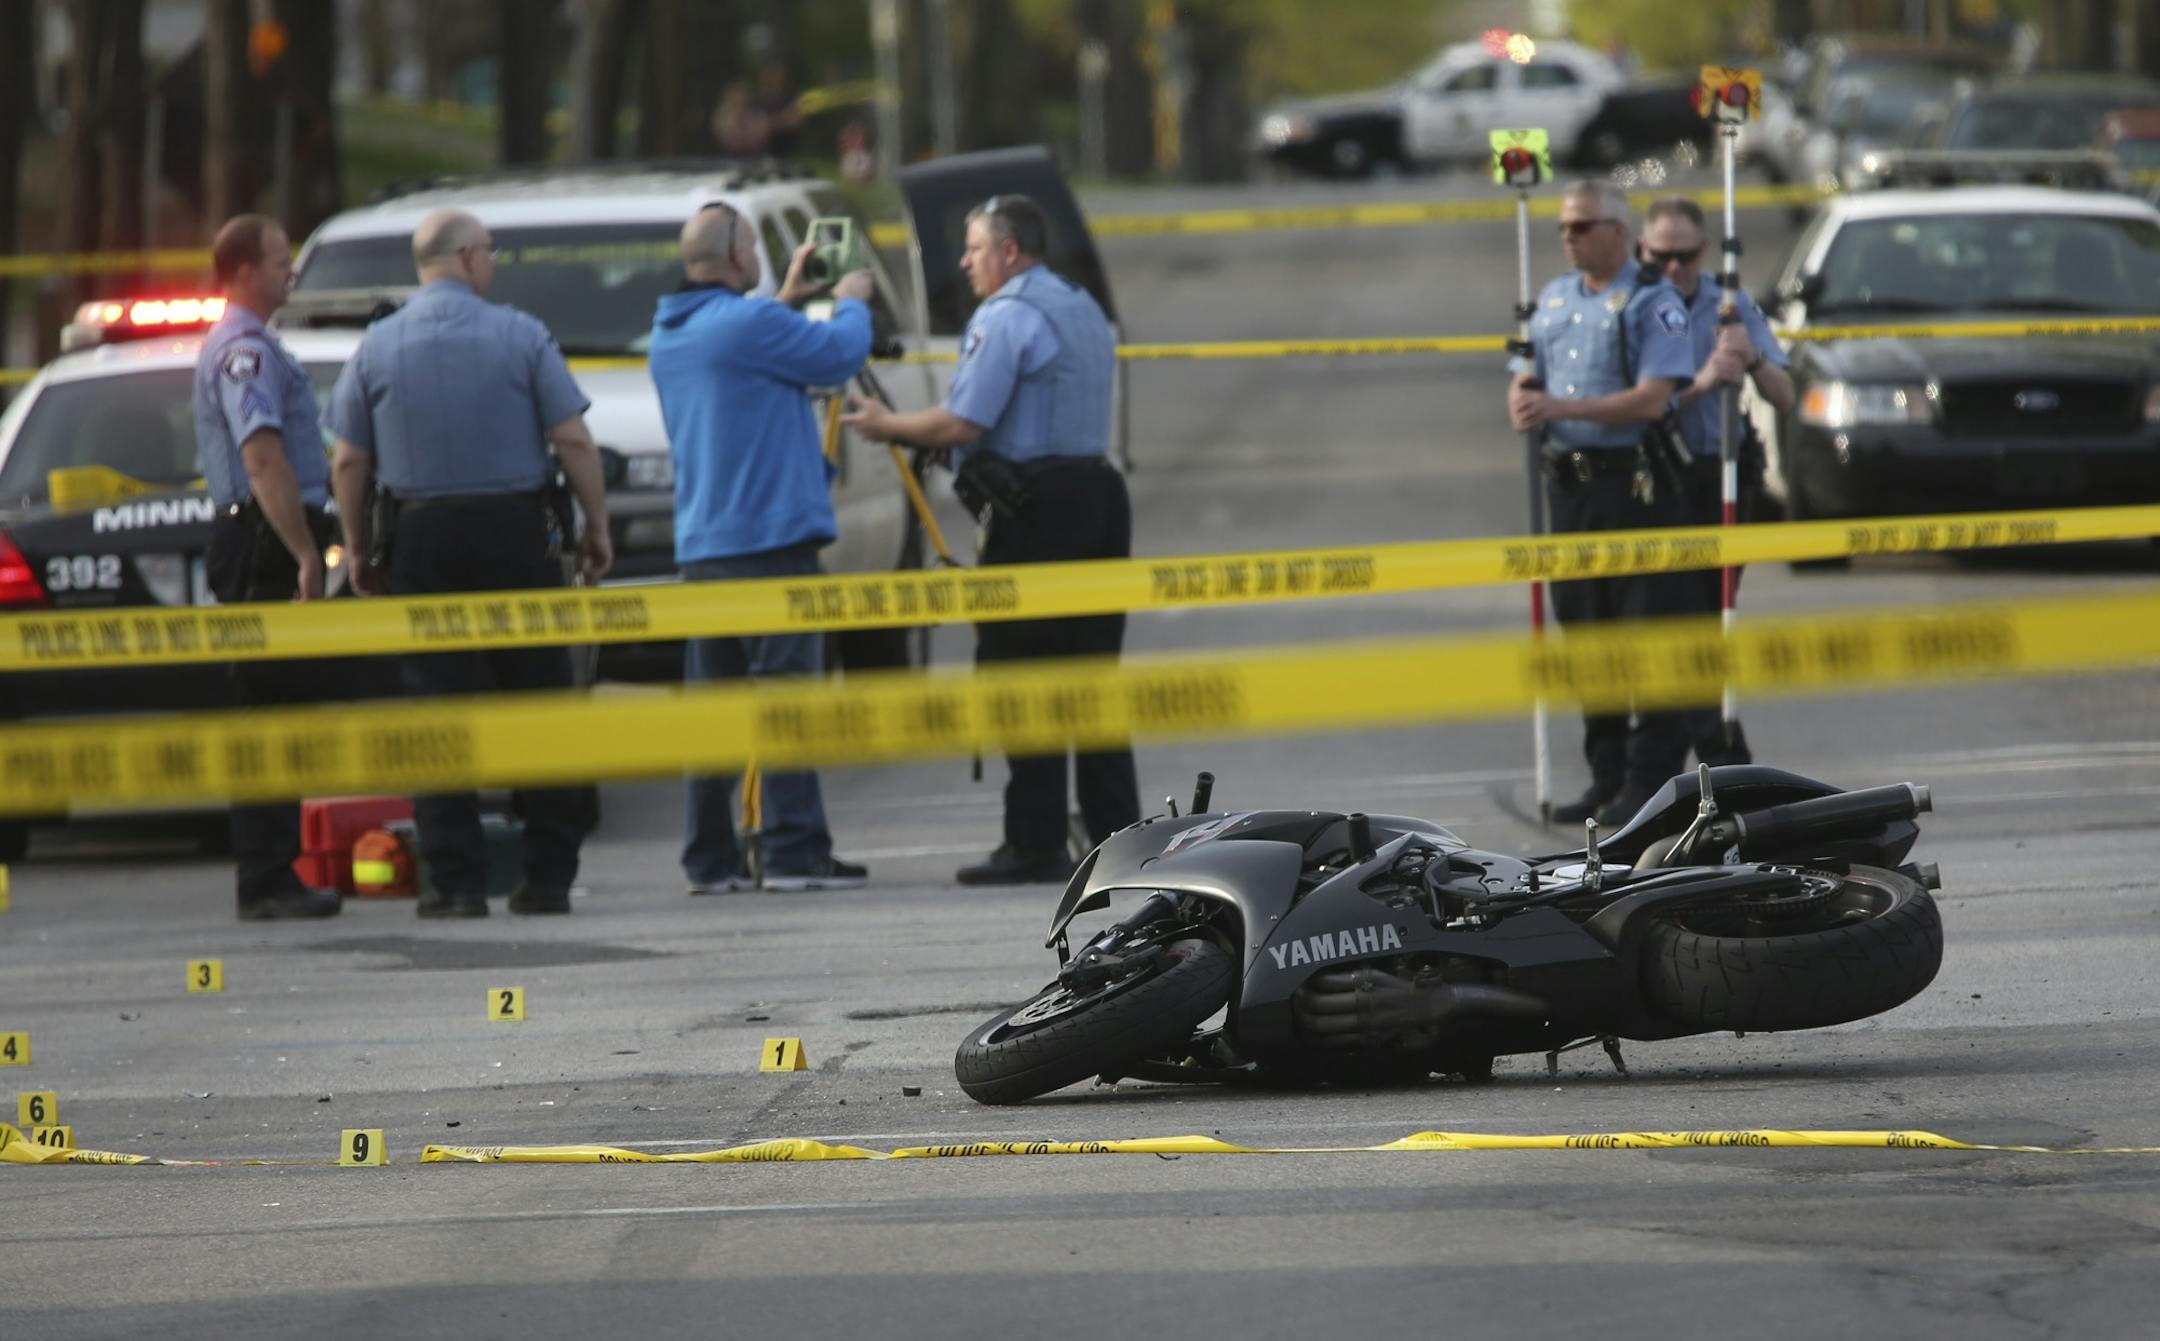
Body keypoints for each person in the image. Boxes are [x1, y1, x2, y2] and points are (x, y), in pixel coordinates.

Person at [843, 193, 1140, 885]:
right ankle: (1121, 841)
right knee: (1093, 677)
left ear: (1010, 252)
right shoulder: (1082, 304)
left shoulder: (1008, 315)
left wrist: (888, 425)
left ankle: (1034, 841)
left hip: (1036, 511)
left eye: (974, 249)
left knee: (1021, 671)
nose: (964, 262)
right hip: (1097, 496)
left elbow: (962, 423)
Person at [326, 209, 611, 919]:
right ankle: (547, 878)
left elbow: (351, 459)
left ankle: (453, 884)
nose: (493, 263)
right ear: (466, 255)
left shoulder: (376, 347)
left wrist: (359, 549)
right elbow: (573, 440)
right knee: (541, 702)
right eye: (490, 252)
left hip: (423, 537)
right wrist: (595, 526)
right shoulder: (520, 333)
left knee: (436, 710)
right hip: (517, 533)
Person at [646, 202, 874, 895]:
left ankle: (709, 860)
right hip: (772, 539)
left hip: (706, 545)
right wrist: (849, 301)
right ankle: (794, 852)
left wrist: (784, 300)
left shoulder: (674, 331)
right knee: (786, 704)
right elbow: (840, 355)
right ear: (739, 258)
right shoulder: (750, 324)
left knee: (714, 708)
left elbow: (745, 343)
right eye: (754, 250)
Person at [1506, 181, 1698, 829]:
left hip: (1633, 485)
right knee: (1587, 634)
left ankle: (1651, 784)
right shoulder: (1554, 297)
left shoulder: (1652, 300)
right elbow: (1525, 365)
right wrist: (1524, 395)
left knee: (1645, 633)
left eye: (1583, 226)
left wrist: (1560, 407)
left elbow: (1653, 398)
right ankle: (1607, 776)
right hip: (1570, 487)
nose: (1569, 237)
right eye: (1564, 227)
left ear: (1618, 232)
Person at [193, 213, 340, 922]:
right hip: (263, 540)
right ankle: (265, 875)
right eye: (283, 260)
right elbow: (260, 456)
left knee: (279, 705)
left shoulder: (253, 343)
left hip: (262, 536)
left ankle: (275, 868)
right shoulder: (243, 351)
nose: (293, 271)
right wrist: (304, 551)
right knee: (265, 707)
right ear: (247, 271)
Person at [1640, 195, 1797, 769]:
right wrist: (1702, 382)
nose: (1676, 268)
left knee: (1711, 620)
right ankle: (1711, 754)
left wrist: (1752, 359)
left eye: (1685, 256)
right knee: (1672, 625)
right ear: (1644, 250)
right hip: (1661, 480)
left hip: (1724, 477)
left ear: (1704, 251)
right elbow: (1636, 405)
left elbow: (1784, 395)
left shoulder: (1730, 305)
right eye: (1663, 256)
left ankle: (1703, 758)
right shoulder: (1639, 305)